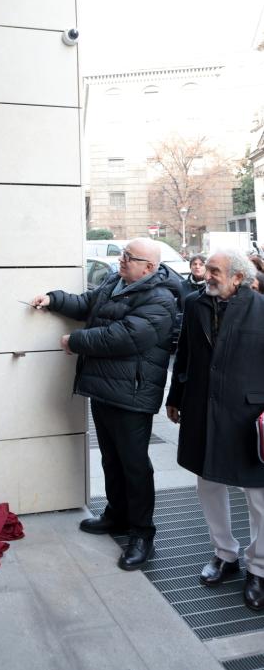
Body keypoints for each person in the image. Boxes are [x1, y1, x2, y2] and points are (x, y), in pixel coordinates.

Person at [32, 238, 178, 570]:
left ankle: (142, 534)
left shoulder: (161, 299)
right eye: (123, 254)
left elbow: (125, 336)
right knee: (112, 458)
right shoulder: (115, 280)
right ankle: (117, 515)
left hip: (132, 395)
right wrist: (54, 299)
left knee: (135, 465)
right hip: (105, 389)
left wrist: (76, 341)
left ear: (150, 267)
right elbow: (87, 304)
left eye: (130, 257)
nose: (121, 260)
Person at [165, 249, 264, 611]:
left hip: (249, 416)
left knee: (259, 496)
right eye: (207, 269)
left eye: (215, 270)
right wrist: (175, 397)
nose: (207, 275)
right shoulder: (194, 304)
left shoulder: (261, 308)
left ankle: (260, 568)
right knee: (208, 483)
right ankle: (225, 554)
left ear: (238, 278)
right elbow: (186, 355)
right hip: (202, 412)